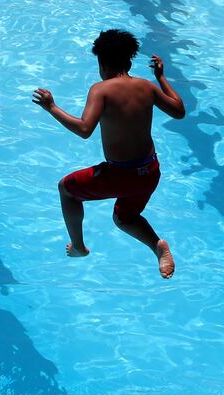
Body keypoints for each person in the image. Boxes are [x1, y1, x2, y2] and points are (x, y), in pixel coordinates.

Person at [32, 29, 184, 279]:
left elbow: (84, 129)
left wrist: (52, 108)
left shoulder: (101, 90)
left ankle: (79, 247)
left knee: (66, 190)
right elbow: (179, 111)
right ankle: (158, 247)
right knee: (125, 218)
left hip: (120, 175)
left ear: (102, 63)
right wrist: (161, 78)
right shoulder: (147, 87)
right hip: (149, 172)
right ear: (130, 61)